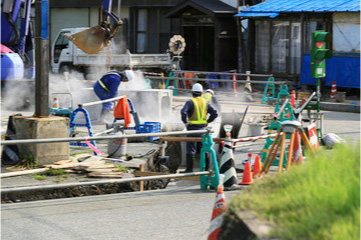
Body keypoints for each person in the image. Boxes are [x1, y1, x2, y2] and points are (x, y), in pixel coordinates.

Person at [180, 83, 218, 173]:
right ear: (201, 93)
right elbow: (215, 113)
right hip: (203, 130)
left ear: (192, 92)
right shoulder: (206, 102)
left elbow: (183, 112)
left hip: (192, 130)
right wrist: (208, 121)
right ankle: (206, 169)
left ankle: (189, 170)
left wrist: (185, 122)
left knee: (191, 149)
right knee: (204, 148)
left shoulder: (190, 102)